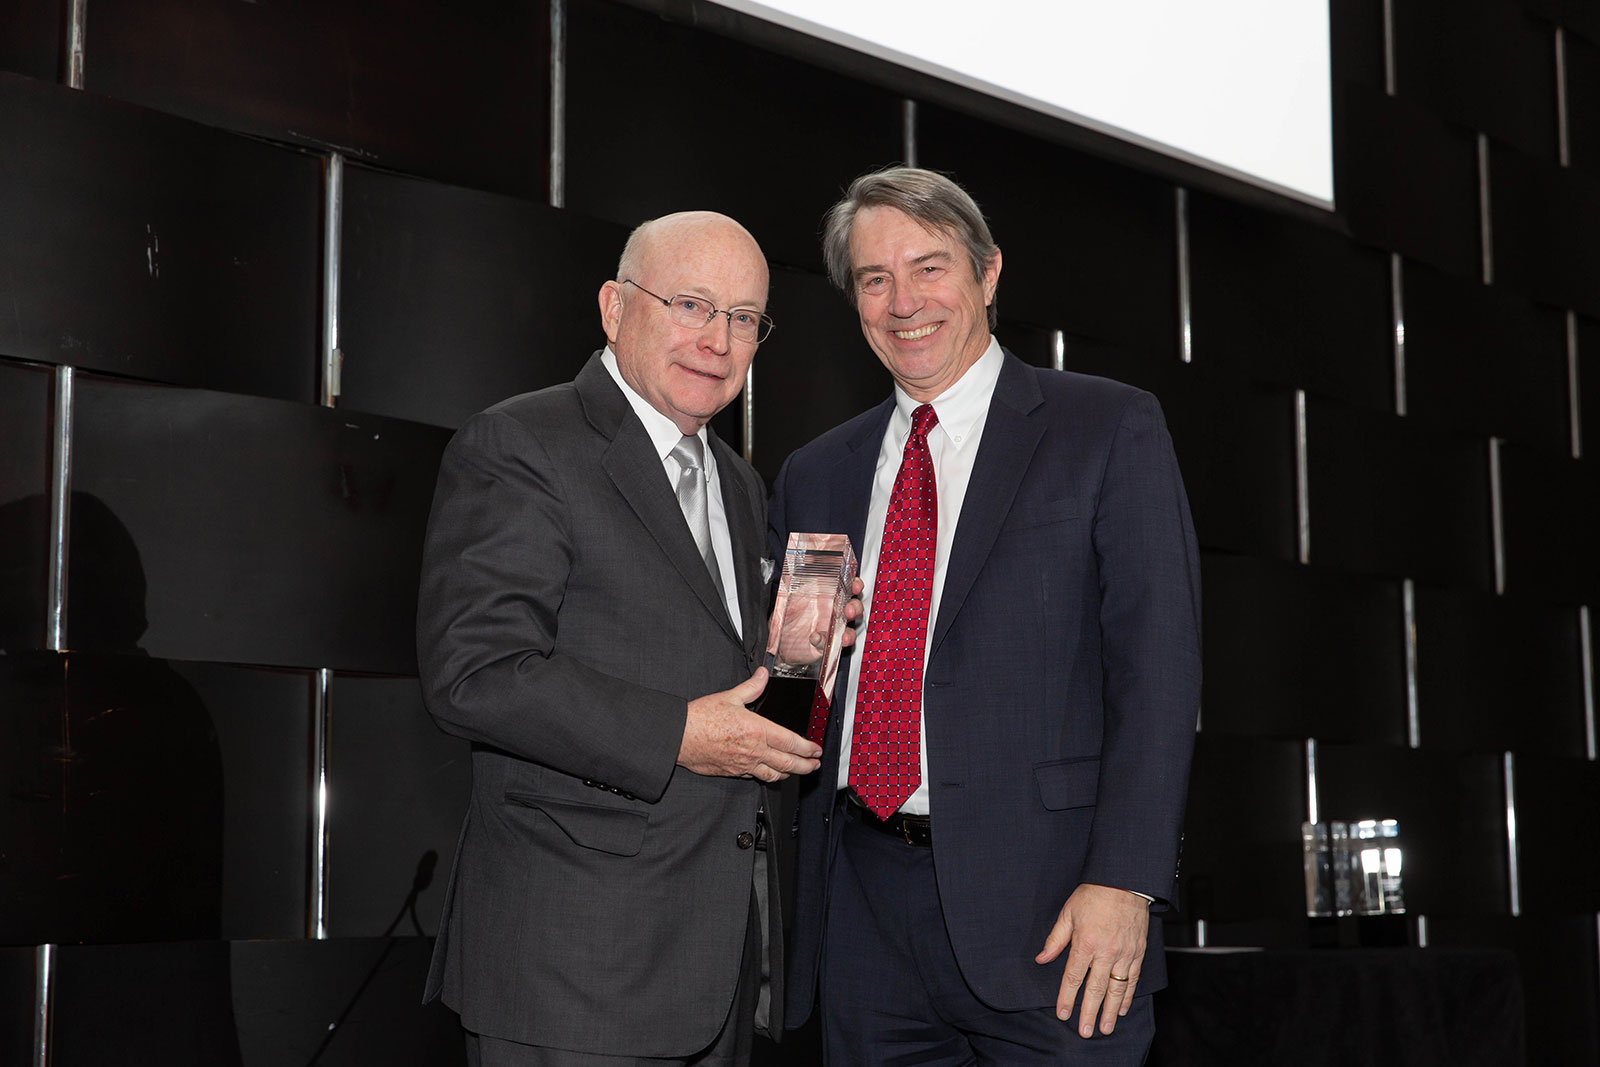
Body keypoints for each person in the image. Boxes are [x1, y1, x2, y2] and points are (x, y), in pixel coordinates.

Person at [770, 167, 1202, 1064]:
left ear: (988, 274)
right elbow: (793, 697)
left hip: (1057, 916)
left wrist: (1125, 880)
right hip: (863, 918)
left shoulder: (1106, 426)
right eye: (874, 279)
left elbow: (1158, 671)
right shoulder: (817, 471)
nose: (903, 302)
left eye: (929, 268)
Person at [417, 210, 824, 1066]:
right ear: (613, 307)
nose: (718, 339)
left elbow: (703, 661)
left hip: (714, 963)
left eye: (744, 318)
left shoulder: (739, 482)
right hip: (572, 968)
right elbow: (476, 671)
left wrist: (802, 646)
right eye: (691, 304)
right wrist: (678, 732)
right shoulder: (523, 442)